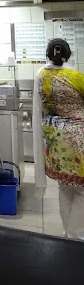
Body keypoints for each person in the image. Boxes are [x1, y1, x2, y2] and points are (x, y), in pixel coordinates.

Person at [33, 38, 84, 240]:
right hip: (78, 141)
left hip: (54, 140)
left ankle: (68, 232)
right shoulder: (77, 77)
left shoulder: (40, 75)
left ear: (48, 54)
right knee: (81, 189)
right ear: (68, 54)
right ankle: (76, 235)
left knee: (65, 186)